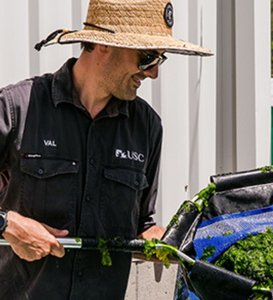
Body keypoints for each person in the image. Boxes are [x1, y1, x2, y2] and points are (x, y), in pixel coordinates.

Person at [0, 0, 212, 299]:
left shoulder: (147, 128)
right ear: (104, 46)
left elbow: (141, 225)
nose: (152, 74)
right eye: (147, 58)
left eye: (159, 61)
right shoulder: (17, 107)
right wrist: (8, 224)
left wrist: (160, 239)